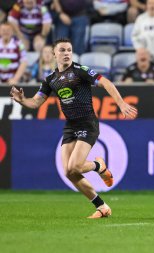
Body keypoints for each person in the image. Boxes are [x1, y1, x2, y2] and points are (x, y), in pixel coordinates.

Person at [10, 38, 138, 218]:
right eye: (62, 50)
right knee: (69, 172)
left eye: (69, 50)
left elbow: (106, 82)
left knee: (75, 166)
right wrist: (22, 100)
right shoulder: (50, 80)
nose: (66, 53)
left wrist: (121, 103)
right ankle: (102, 207)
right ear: (54, 54)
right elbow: (36, 102)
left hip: (87, 122)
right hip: (71, 125)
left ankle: (97, 165)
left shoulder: (80, 71)